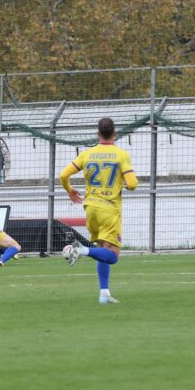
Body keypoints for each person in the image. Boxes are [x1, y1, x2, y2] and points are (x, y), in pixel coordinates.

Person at [60, 117, 139, 304]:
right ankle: (81, 250)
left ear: (97, 134)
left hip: (91, 208)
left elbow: (63, 175)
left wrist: (70, 190)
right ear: (115, 134)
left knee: (103, 249)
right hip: (109, 209)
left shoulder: (87, 154)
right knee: (112, 256)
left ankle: (104, 293)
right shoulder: (121, 155)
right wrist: (126, 185)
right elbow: (134, 184)